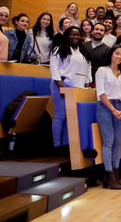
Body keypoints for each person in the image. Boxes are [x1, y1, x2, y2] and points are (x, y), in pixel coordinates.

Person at [49, 27, 91, 155]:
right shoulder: (59, 49)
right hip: (62, 85)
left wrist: (87, 85)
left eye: (78, 35)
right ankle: (57, 145)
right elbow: (54, 69)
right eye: (72, 34)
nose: (75, 37)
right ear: (66, 35)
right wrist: (61, 87)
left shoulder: (82, 51)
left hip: (78, 88)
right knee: (60, 116)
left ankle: (67, 144)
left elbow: (88, 69)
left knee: (71, 118)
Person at [96, 45, 121, 190]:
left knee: (117, 142)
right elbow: (101, 93)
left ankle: (116, 174)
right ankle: (108, 174)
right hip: (106, 107)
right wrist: (113, 109)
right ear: (111, 54)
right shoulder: (102, 70)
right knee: (108, 141)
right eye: (117, 53)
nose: (119, 56)